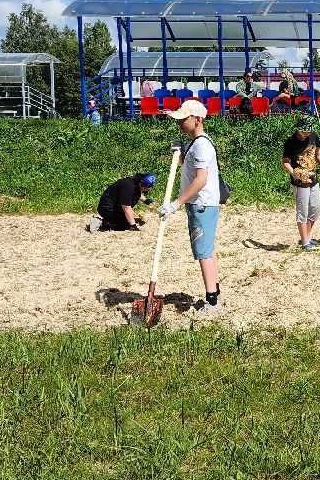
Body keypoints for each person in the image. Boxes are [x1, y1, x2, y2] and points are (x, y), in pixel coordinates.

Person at [157, 99, 223, 317]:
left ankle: (212, 301)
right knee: (208, 249)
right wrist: (181, 152)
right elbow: (192, 167)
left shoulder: (202, 144)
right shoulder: (197, 143)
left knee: (203, 251)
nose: (180, 123)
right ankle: (216, 293)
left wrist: (177, 203)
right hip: (202, 203)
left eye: (183, 119)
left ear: (197, 119)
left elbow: (201, 179)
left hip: (201, 203)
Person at [282, 117, 320, 249]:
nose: (307, 134)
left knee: (316, 209)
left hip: (313, 178)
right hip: (299, 181)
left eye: (309, 132)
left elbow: (318, 154)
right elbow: (285, 162)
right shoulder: (291, 142)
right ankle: (304, 241)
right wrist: (293, 172)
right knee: (302, 210)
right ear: (298, 129)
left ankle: (307, 237)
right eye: (305, 132)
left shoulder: (314, 136)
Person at [89, 172, 156, 233]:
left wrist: (146, 200)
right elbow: (126, 207)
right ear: (144, 186)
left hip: (114, 205)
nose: (150, 189)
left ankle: (112, 219)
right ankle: (100, 222)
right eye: (150, 187)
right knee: (124, 226)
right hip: (107, 208)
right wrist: (133, 226)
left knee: (128, 220)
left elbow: (135, 193)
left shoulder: (135, 182)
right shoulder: (129, 186)